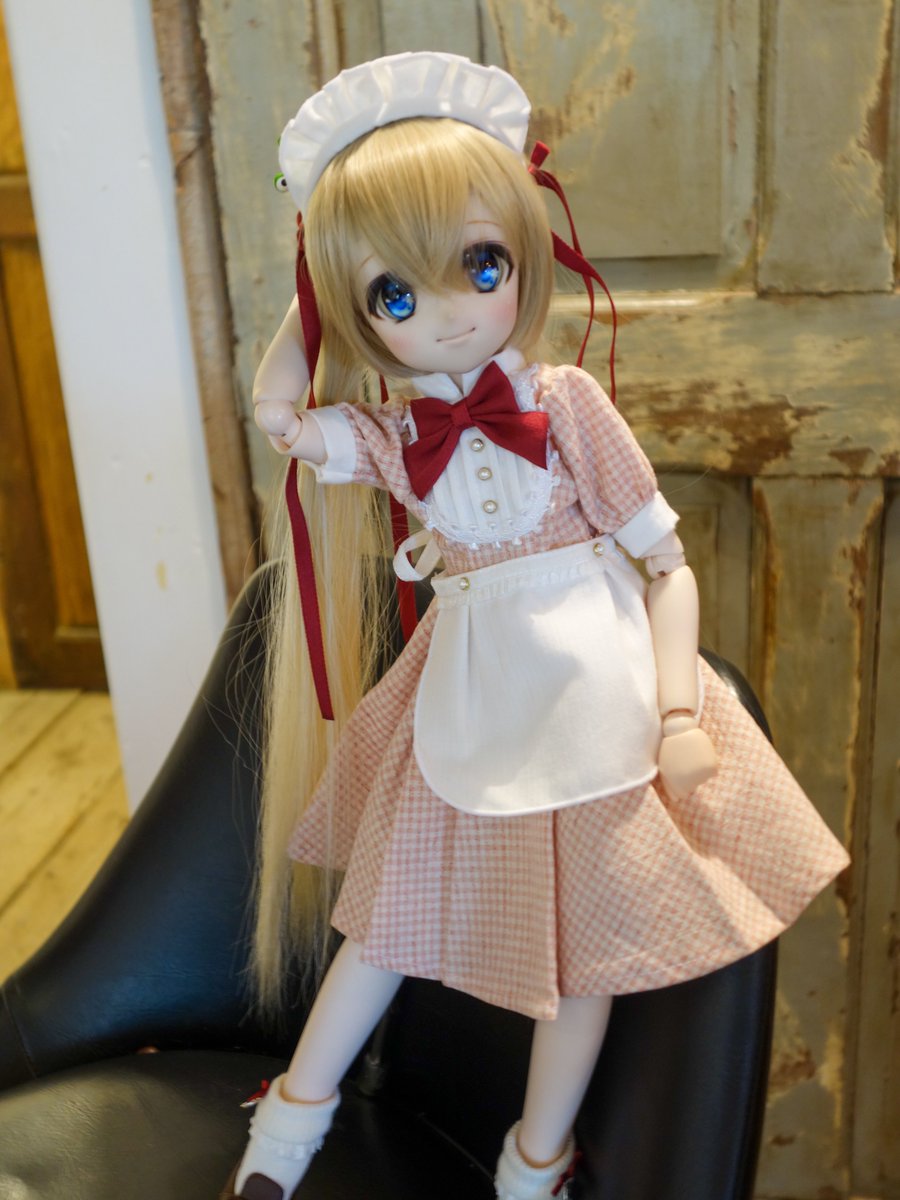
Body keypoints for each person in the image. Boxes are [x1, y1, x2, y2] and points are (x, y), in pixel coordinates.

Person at [222, 52, 849, 1200]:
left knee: (588, 961)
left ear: (523, 252)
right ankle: (288, 1132)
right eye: (394, 295)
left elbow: (665, 565)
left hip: (600, 700)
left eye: (480, 266)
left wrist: (677, 710)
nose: (450, 313)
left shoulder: (565, 408)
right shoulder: (391, 433)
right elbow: (280, 417)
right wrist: (314, 287)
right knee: (383, 923)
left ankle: (536, 1160)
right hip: (469, 700)